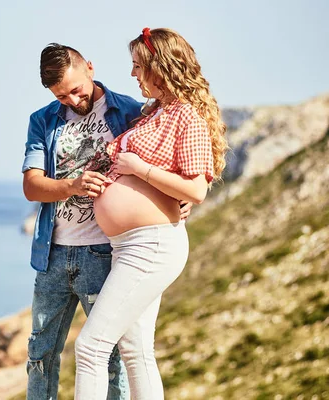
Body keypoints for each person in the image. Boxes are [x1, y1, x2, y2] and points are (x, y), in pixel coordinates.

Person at [21, 43, 193, 399]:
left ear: (90, 69)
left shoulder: (132, 112)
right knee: (40, 355)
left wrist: (177, 201)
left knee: (111, 354)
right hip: (52, 255)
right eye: (61, 96)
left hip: (105, 253)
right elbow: (31, 186)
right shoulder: (42, 120)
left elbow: (171, 168)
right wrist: (72, 185)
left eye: (75, 90)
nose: (71, 100)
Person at [73, 28, 229, 400]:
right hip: (128, 244)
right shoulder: (153, 114)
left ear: (161, 68)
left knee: (90, 347)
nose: (132, 74)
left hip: (152, 244)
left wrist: (138, 168)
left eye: (138, 66)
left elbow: (195, 190)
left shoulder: (185, 116)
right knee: (136, 350)